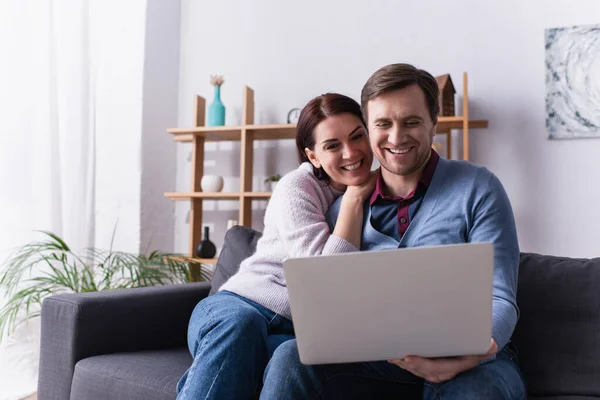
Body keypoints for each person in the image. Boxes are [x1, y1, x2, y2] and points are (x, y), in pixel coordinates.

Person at [260, 64, 527, 399]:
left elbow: (500, 297)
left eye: (411, 122)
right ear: (368, 131)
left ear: (434, 123)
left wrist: (467, 358)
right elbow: (330, 306)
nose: (397, 137)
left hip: (478, 362)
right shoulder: (343, 210)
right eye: (383, 124)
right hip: (381, 363)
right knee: (289, 357)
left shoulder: (479, 188)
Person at [176, 93, 376, 399]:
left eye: (356, 137)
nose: (350, 153)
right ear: (313, 157)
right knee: (241, 327)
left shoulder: (388, 190)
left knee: (283, 360)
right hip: (235, 306)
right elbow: (322, 278)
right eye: (333, 145)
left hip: (292, 333)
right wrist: (352, 198)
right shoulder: (297, 187)